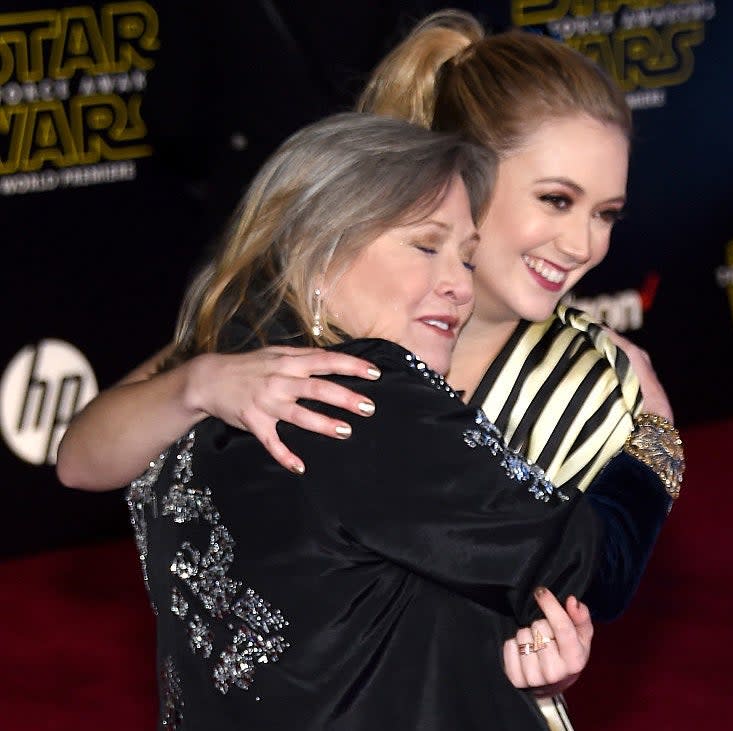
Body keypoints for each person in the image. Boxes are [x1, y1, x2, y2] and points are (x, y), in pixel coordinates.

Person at [57, 10, 684, 729]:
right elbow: (80, 456)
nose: (583, 244)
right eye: (556, 200)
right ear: (463, 172)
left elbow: (563, 593)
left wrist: (556, 657)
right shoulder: (271, 327)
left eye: (607, 213)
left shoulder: (592, 382)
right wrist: (200, 381)